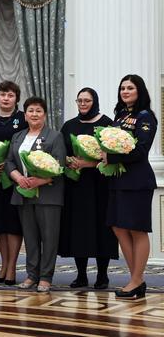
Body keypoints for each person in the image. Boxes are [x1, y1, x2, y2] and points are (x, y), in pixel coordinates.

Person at [104, 75, 158, 299]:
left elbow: (140, 150)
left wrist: (111, 158)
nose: (125, 91)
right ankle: (137, 278)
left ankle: (136, 280)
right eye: (122, 88)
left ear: (139, 91)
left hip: (137, 180)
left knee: (137, 229)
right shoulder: (120, 114)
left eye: (130, 88)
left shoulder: (145, 117)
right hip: (118, 179)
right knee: (117, 226)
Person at [6, 97, 66, 293]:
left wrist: (40, 180)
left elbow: (60, 164)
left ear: (45, 114)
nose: (34, 114)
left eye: (38, 111)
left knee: (49, 237)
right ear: (25, 114)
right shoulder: (18, 136)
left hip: (48, 194)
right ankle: (32, 275)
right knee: (30, 237)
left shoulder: (54, 136)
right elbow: (9, 162)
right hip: (23, 192)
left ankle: (46, 277)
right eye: (30, 110)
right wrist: (17, 177)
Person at [58, 87, 117, 289]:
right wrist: (68, 161)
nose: (83, 104)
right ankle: (81, 275)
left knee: (102, 229)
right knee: (78, 229)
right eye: (80, 101)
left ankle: (102, 275)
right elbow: (61, 152)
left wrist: (87, 164)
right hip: (76, 187)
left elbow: (112, 157)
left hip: (100, 186)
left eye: (87, 101)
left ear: (95, 102)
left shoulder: (106, 124)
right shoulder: (69, 125)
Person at [0, 81, 27, 286]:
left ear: (16, 98)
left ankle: (12, 268)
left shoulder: (23, 119)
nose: (6, 98)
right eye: (2, 95)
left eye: (10, 95)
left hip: (15, 178)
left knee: (13, 224)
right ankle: (3, 265)